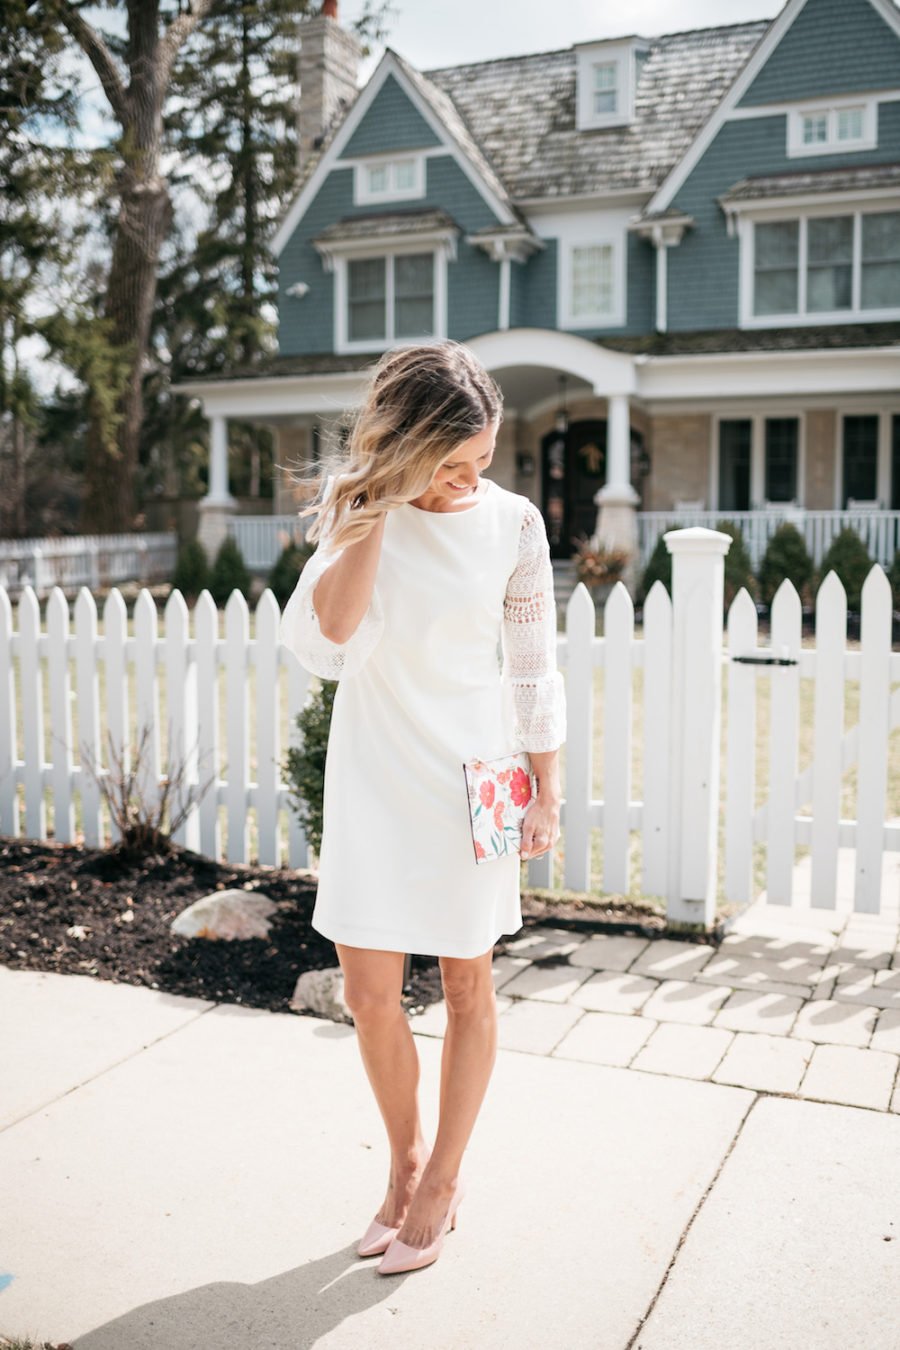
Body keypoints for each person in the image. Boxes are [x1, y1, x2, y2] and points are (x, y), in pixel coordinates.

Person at [279, 340, 566, 1275]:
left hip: (474, 781)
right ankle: (401, 1167)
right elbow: (330, 632)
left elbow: (532, 667)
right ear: (401, 446)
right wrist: (374, 511)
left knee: (468, 985)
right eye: (447, 463)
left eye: (480, 461)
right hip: (374, 774)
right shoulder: (364, 515)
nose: (465, 481)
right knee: (368, 995)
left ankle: (444, 1180)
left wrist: (547, 791)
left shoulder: (516, 525)